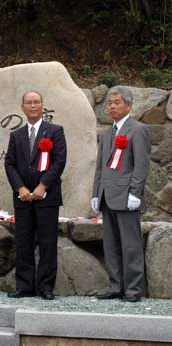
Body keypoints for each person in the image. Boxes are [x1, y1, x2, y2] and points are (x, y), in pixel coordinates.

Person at [4, 91, 67, 300]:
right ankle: (24, 286)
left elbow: (59, 161)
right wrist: (20, 188)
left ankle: (46, 287)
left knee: (48, 242)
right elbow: (10, 163)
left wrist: (43, 185)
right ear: (22, 107)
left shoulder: (55, 131)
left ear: (42, 106)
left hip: (47, 197)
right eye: (28, 103)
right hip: (23, 198)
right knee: (23, 241)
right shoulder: (16, 135)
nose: (33, 106)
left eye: (36, 102)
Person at [92, 86, 150, 303]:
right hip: (107, 197)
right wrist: (96, 193)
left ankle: (133, 289)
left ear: (128, 104)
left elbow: (141, 165)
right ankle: (115, 286)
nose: (112, 106)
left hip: (127, 198)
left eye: (117, 102)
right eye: (110, 103)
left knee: (130, 245)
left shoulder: (138, 129)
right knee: (111, 245)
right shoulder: (108, 134)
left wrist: (135, 192)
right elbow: (100, 167)